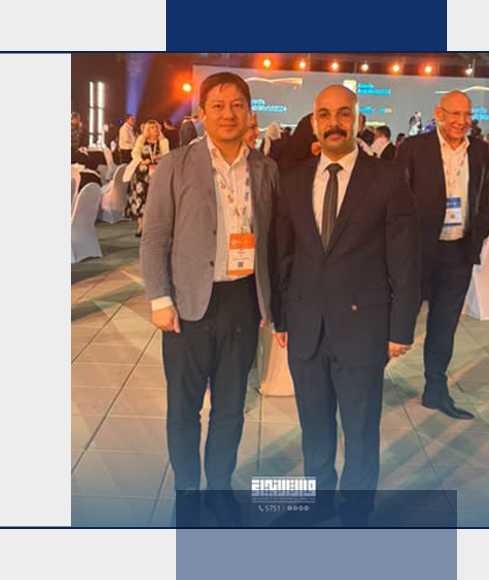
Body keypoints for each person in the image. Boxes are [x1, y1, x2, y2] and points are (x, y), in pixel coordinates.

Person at [270, 85, 420, 527]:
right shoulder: (293, 178)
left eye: (342, 114)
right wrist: (282, 317)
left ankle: (356, 509)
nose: (333, 123)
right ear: (313, 121)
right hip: (306, 326)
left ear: (357, 120)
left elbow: (405, 260)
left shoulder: (387, 178)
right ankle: (317, 502)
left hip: (363, 327)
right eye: (324, 114)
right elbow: (283, 254)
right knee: (314, 426)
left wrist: (401, 328)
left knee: (360, 427)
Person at [141, 72, 278, 527]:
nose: (227, 114)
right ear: (202, 113)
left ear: (249, 113)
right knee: (184, 409)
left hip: (243, 301)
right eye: (217, 106)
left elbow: (272, 241)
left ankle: (219, 486)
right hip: (188, 304)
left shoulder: (265, 168)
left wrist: (270, 304)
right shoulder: (176, 164)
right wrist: (159, 298)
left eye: (237, 105)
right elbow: (155, 237)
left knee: (231, 406)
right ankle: (187, 489)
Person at [395, 90, 489, 420]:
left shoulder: (482, 152)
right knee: (398, 322)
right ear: (439, 114)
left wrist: (479, 234)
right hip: (418, 252)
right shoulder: (415, 148)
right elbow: (397, 199)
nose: (461, 121)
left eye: (466, 114)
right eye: (454, 114)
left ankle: (436, 390)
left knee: (444, 327)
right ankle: (367, 385)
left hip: (458, 251)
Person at [124, 120, 170, 236]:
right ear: (148, 130)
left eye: (156, 127)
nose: (155, 130)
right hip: (142, 174)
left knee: (155, 199)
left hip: (157, 174)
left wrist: (159, 157)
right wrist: (142, 161)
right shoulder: (141, 140)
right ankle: (141, 225)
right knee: (141, 198)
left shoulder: (163, 141)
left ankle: (153, 226)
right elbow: (134, 153)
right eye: (152, 128)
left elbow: (167, 155)